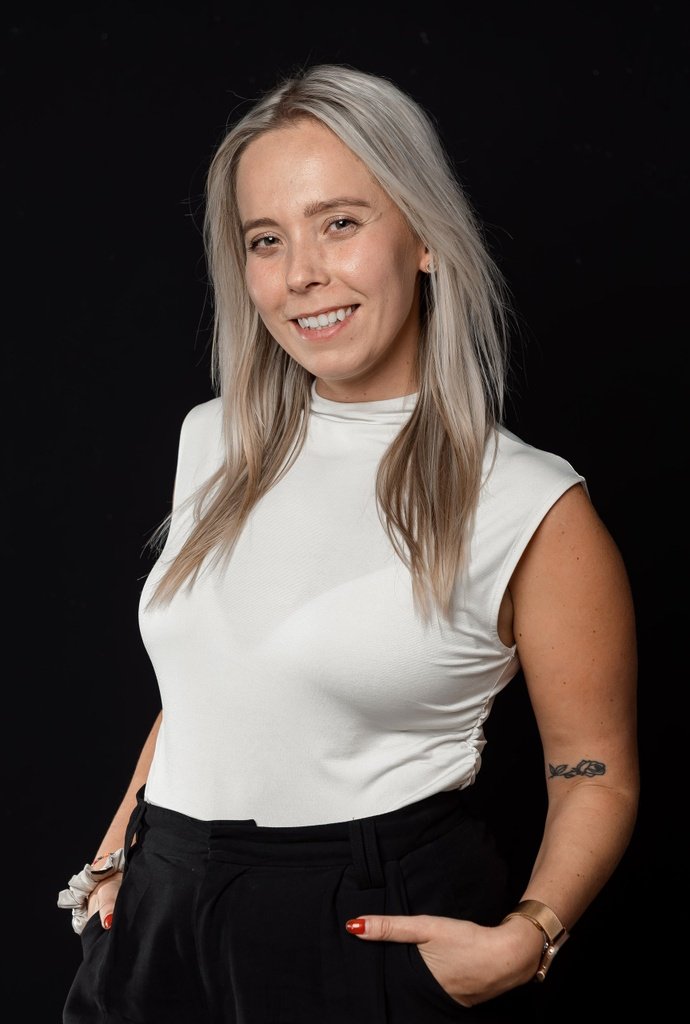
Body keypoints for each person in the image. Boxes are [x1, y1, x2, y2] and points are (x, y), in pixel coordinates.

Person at [57, 63, 639, 1024]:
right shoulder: (215, 440)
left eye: (339, 223)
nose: (301, 274)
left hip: (359, 924)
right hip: (158, 913)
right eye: (267, 239)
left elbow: (597, 772)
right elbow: (212, 684)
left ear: (424, 237)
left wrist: (529, 936)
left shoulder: (529, 502)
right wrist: (119, 850)